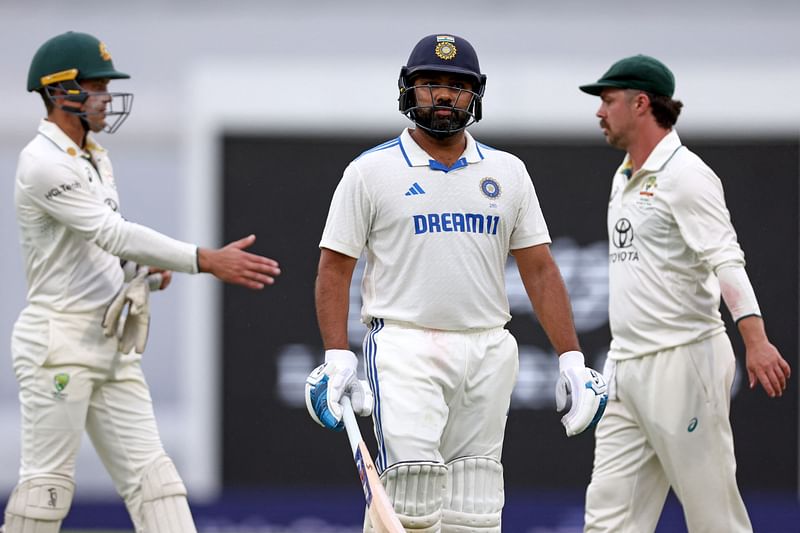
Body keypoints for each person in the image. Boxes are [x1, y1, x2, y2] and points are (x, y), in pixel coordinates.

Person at [304, 33, 607, 532]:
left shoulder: (508, 172)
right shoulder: (370, 171)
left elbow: (540, 269)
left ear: (475, 95)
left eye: (457, 87)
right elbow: (335, 268)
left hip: (488, 346)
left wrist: (572, 359)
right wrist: (338, 354)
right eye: (431, 85)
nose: (444, 96)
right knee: (414, 492)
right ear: (409, 91)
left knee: (476, 503)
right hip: (404, 343)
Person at [2, 31, 281, 533]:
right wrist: (203, 259)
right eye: (97, 86)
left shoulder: (93, 156)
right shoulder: (41, 163)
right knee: (45, 493)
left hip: (110, 346)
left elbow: (90, 251)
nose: (107, 98)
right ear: (61, 90)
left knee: (157, 485)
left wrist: (138, 275)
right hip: (58, 344)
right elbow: (111, 233)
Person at [578, 55, 791, 533]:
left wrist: (755, 341)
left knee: (713, 515)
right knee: (608, 519)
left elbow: (725, 259)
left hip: (684, 361)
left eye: (608, 101)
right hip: (626, 367)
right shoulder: (624, 176)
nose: (599, 112)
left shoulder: (687, 175)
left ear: (640, 103)